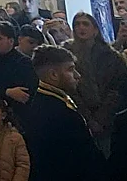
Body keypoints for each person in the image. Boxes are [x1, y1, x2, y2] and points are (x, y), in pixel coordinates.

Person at [22, 46, 106, 180]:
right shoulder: (61, 113)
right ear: (53, 75)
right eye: (71, 69)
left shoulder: (42, 102)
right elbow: (84, 160)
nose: (77, 75)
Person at [63, 11, 127, 150]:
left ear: (95, 30)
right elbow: (68, 88)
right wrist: (88, 118)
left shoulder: (111, 56)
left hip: (108, 115)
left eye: (85, 24)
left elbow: (117, 88)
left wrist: (100, 118)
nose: (81, 28)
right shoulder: (65, 55)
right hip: (78, 115)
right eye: (77, 24)